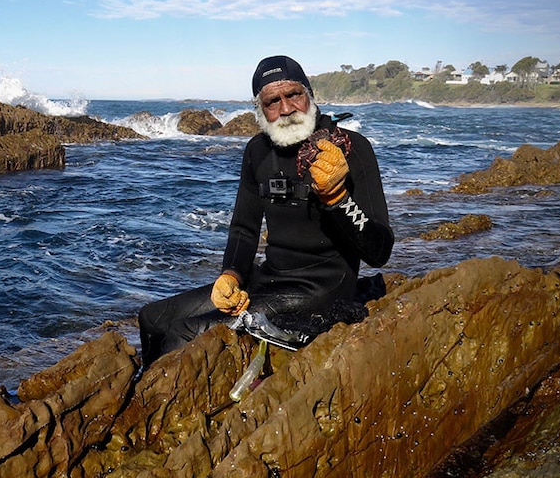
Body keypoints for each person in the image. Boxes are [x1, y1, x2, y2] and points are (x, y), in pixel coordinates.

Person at [138, 55, 394, 366]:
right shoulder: (257, 151)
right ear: (261, 109)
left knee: (185, 332)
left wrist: (337, 197)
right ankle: (146, 387)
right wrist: (230, 276)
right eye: (273, 101)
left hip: (321, 289)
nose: (286, 109)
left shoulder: (352, 149)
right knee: (152, 319)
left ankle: (157, 404)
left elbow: (380, 251)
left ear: (309, 95)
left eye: (294, 95)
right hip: (268, 278)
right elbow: (244, 228)